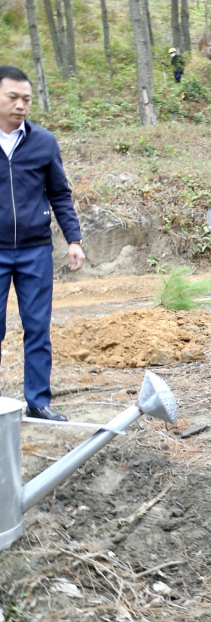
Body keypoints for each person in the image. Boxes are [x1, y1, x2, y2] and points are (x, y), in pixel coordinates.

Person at [0, 65, 84, 423]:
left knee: (37, 326)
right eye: (13, 97)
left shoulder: (44, 142)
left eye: (26, 99)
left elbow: (60, 194)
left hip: (35, 250)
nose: (21, 105)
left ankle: (37, 401)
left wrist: (74, 240)